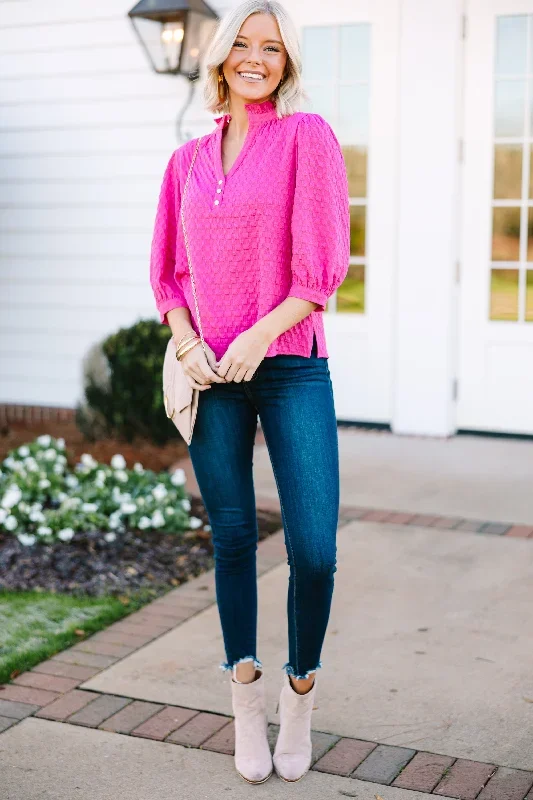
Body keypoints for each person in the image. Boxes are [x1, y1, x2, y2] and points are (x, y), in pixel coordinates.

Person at [149, 0, 350, 785]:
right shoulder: (185, 162)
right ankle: (244, 698)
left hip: (289, 363)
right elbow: (167, 274)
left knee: (314, 550)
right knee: (231, 538)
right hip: (211, 378)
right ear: (223, 56)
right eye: (245, 43)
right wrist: (189, 342)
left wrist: (256, 338)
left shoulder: (307, 138)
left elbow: (321, 271)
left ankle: (299, 691)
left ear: (286, 63)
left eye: (273, 47)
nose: (257, 57)